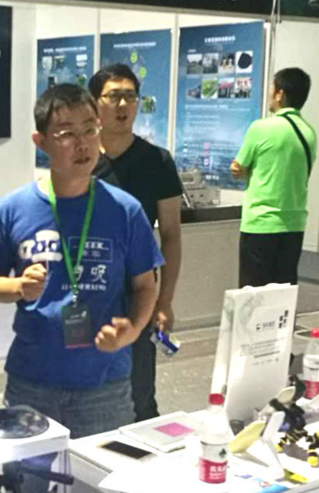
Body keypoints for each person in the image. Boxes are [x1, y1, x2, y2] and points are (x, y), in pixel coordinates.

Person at [0, 84, 162, 492]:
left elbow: (145, 286)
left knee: (101, 485)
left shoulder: (125, 210)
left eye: (90, 129)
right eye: (66, 133)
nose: (82, 143)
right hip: (32, 383)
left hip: (104, 386)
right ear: (40, 141)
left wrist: (132, 330)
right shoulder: (14, 209)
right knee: (27, 485)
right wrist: (17, 286)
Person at [89, 64, 183, 422]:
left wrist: (165, 300)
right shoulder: (82, 160)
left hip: (139, 291)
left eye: (130, 96)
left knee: (140, 391)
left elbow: (170, 234)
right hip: (88, 288)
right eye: (113, 96)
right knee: (84, 388)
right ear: (95, 103)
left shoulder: (157, 161)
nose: (123, 105)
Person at [230, 68, 316, 288]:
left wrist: (244, 171)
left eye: (271, 87)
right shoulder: (309, 133)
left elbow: (238, 167)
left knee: (253, 295)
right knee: (283, 294)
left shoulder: (261, 128)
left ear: (280, 94)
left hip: (260, 224)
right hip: (294, 225)